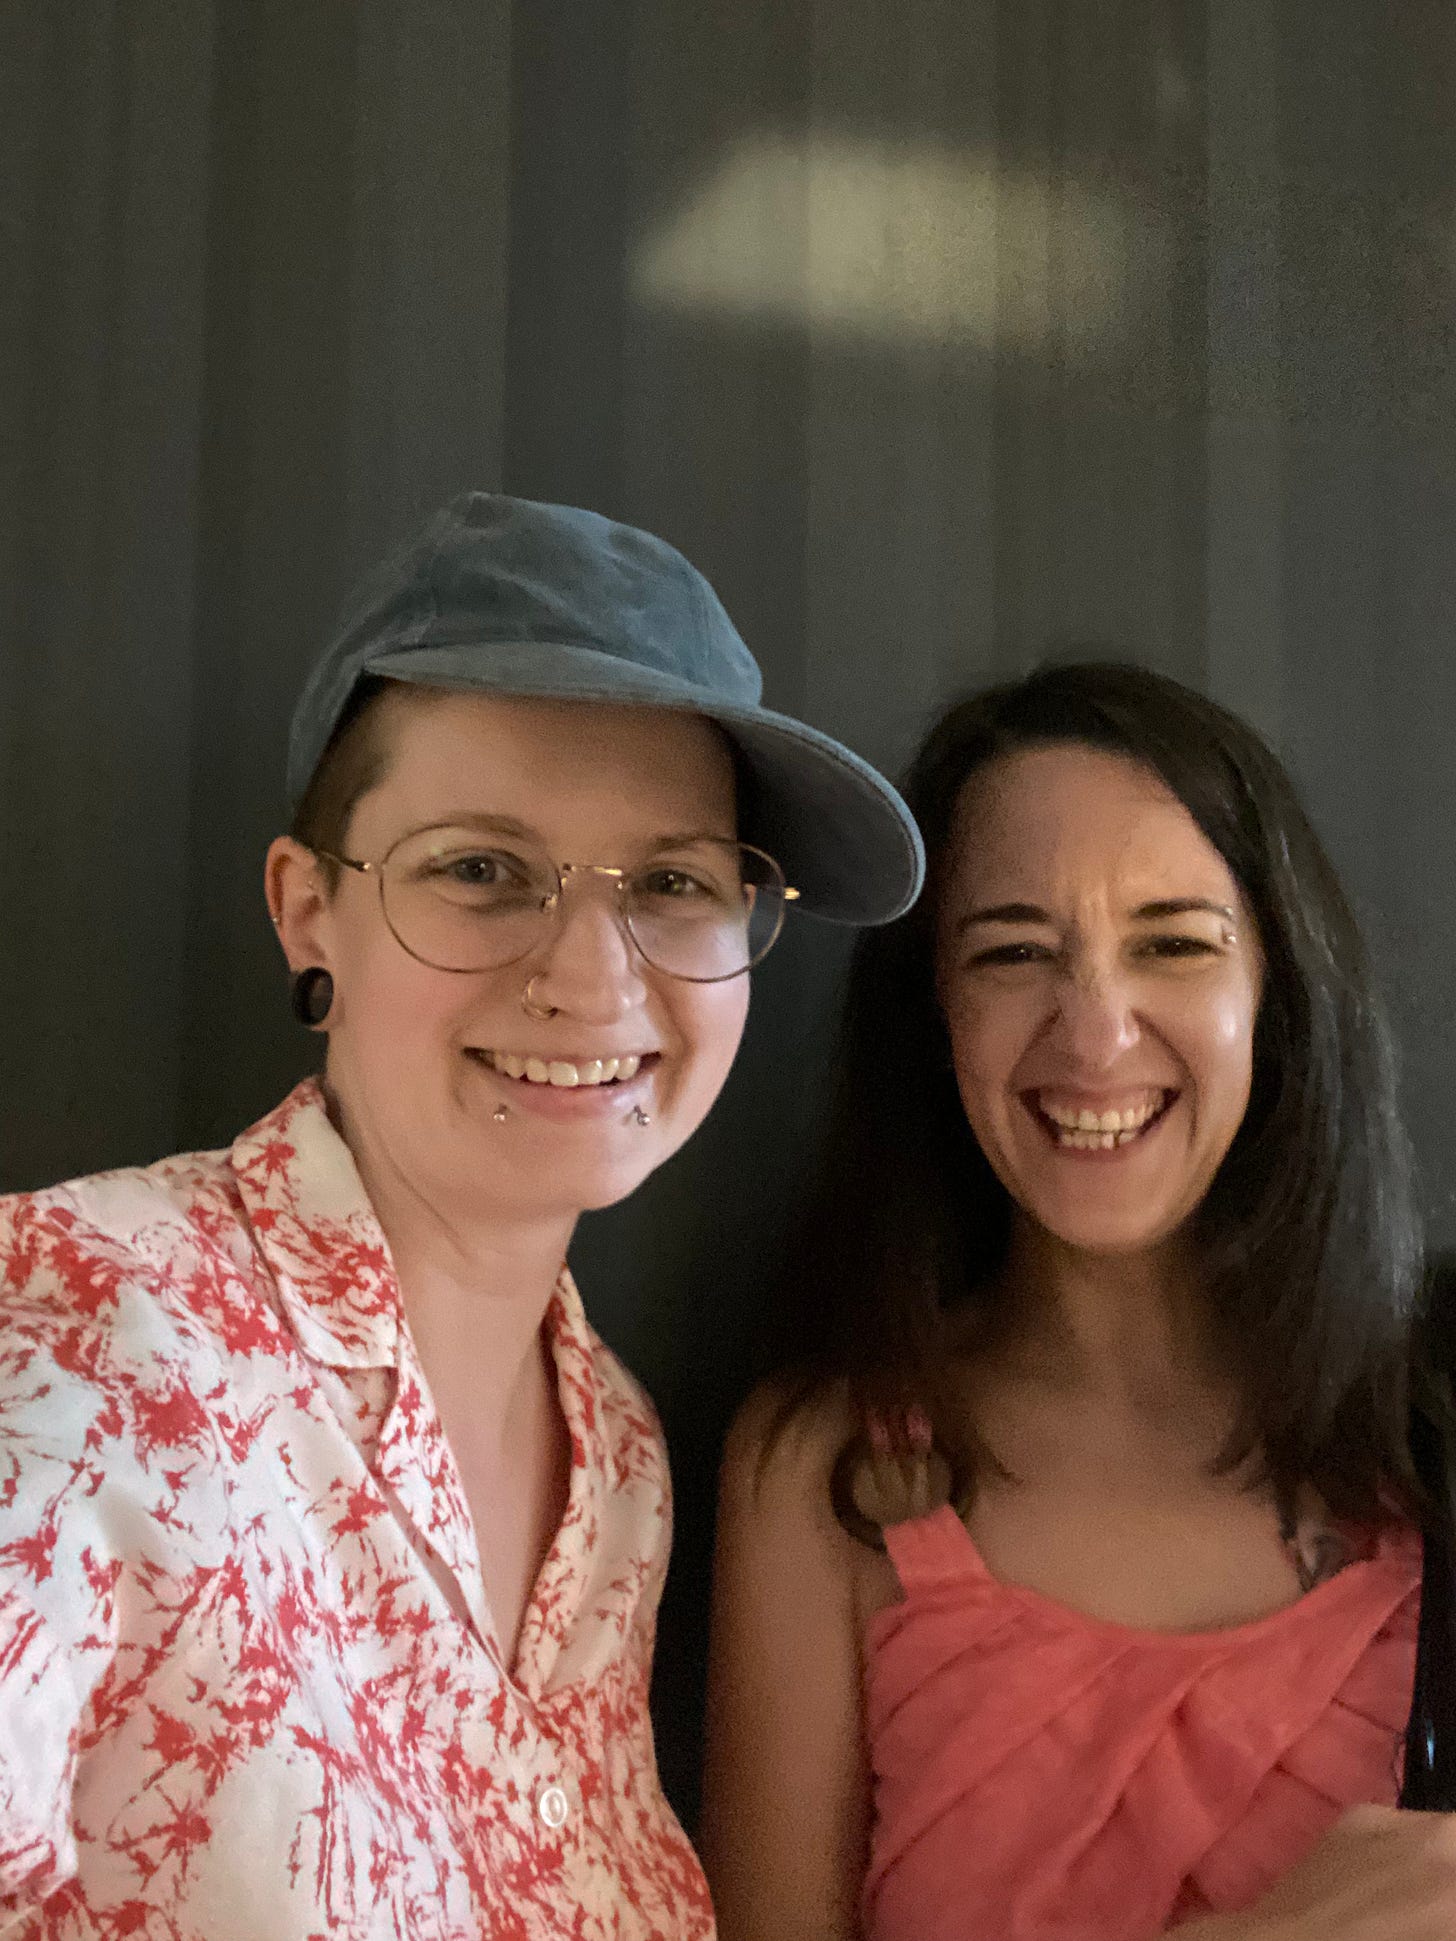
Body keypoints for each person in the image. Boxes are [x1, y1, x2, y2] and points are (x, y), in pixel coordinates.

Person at [0, 491, 923, 1939]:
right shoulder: (70, 1320)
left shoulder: (618, 1461)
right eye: (483, 870)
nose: (595, 977)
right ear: (310, 913)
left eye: (675, 881)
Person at [702, 660, 1456, 1941]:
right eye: (1012, 951)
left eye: (1172, 943)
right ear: (934, 1010)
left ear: (1274, 992)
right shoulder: (819, 1473)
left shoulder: (1434, 1416)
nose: (1095, 1034)